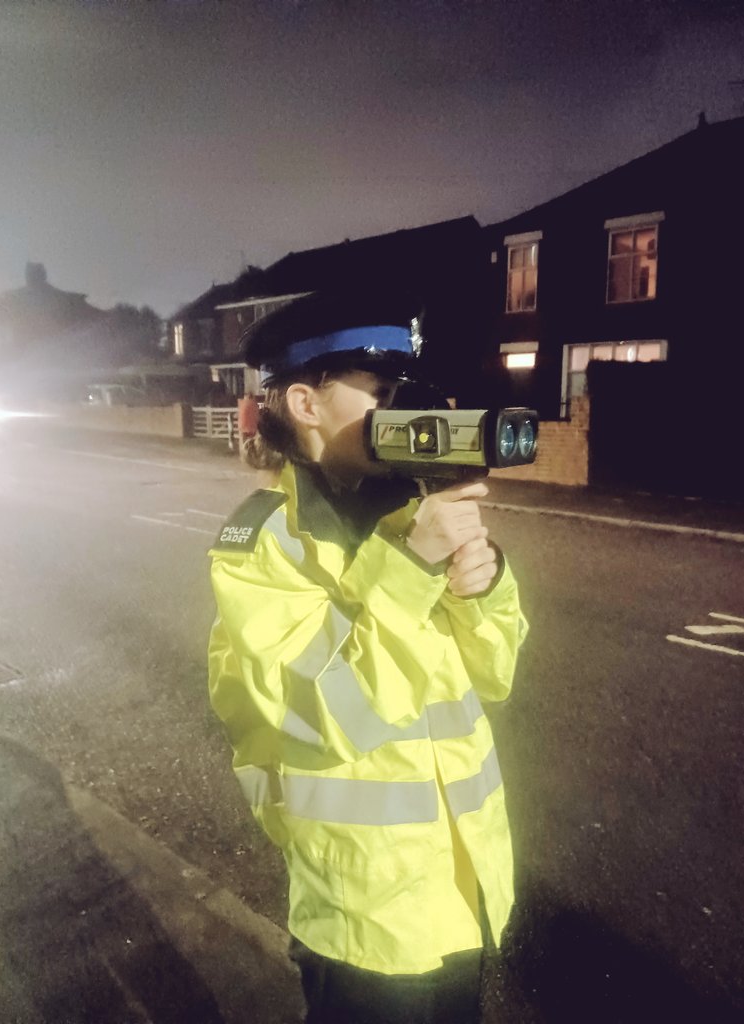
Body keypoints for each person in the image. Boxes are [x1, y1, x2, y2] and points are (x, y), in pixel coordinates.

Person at [207, 292, 528, 1024]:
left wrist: (487, 584)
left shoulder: (411, 512)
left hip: (462, 898)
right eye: (379, 393)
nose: (399, 407)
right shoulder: (261, 545)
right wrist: (414, 565)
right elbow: (327, 712)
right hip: (367, 929)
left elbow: (496, 673)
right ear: (305, 403)